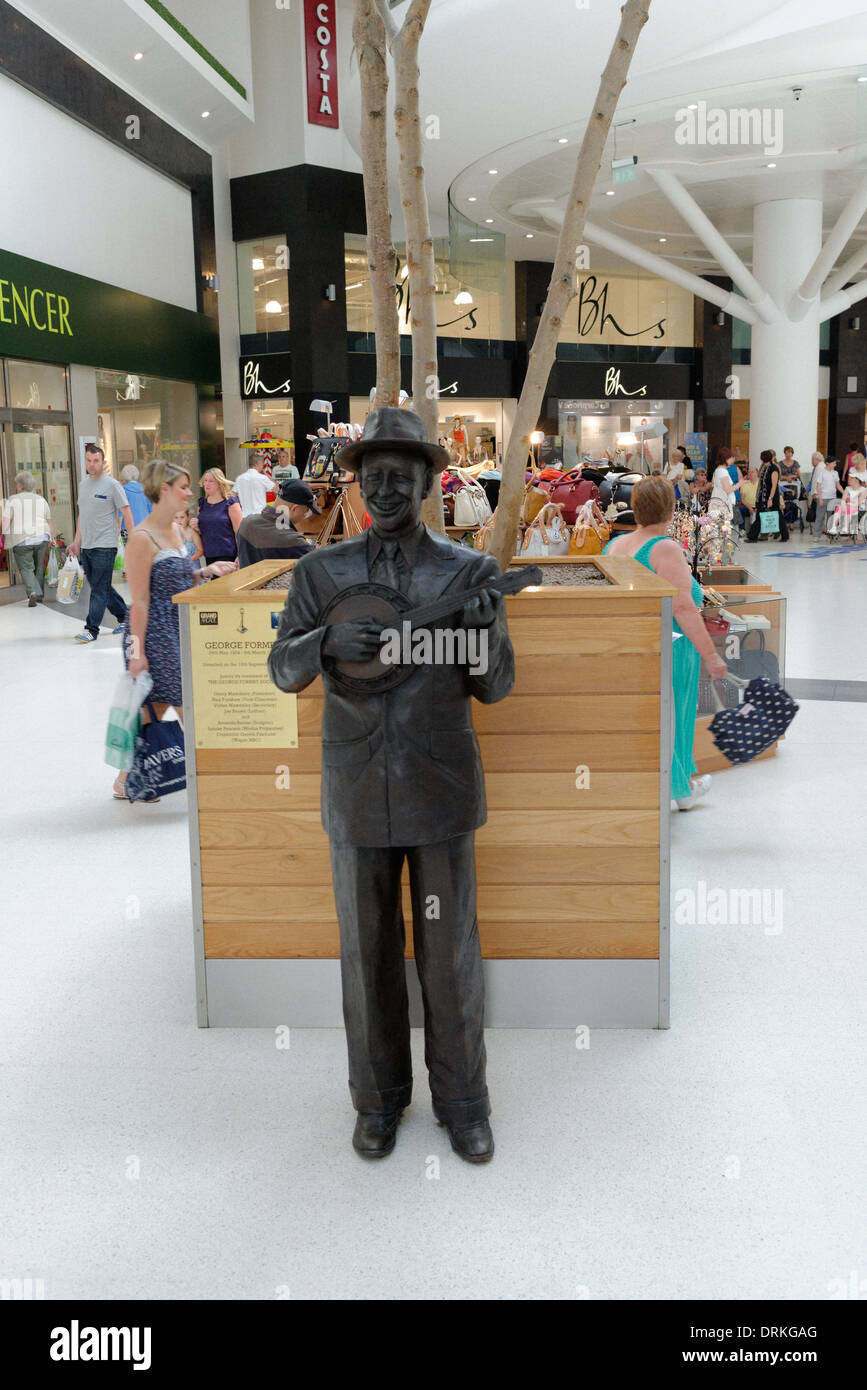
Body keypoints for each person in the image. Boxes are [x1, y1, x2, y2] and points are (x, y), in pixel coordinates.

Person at [268, 408, 515, 1164]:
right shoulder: (320, 573)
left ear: (427, 481)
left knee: (449, 957)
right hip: (354, 787)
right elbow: (282, 670)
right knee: (366, 953)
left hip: (438, 790)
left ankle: (463, 1104)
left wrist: (477, 635)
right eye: (371, 474)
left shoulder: (465, 572)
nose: (383, 488)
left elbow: (496, 685)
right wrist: (321, 642)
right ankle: (375, 1103)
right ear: (356, 479)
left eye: (399, 476)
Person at [113, 459, 236, 799]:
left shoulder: (178, 531)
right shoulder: (141, 538)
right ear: (163, 490)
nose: (189, 493)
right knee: (182, 704)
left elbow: (176, 580)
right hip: (152, 635)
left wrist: (206, 571)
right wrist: (137, 654)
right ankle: (210, 778)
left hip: (175, 629)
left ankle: (129, 778)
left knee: (155, 707)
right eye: (182, 487)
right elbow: (139, 601)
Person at [603, 476, 727, 811]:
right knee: (675, 714)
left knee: (652, 718)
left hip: (636, 644)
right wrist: (712, 656)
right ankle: (678, 788)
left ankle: (673, 786)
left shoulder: (614, 546)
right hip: (671, 646)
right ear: (671, 511)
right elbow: (684, 608)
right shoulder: (665, 549)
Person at [68, 443, 133, 642]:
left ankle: (91, 629)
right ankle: (126, 617)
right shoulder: (82, 485)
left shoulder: (112, 485)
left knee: (98, 588)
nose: (92, 464)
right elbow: (82, 516)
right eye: (89, 460)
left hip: (105, 545)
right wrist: (76, 541)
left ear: (103, 462)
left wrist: (134, 540)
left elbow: (126, 511)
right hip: (87, 545)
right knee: (101, 586)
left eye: (96, 461)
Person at [237, 479, 321, 567]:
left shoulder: (246, 523)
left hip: (246, 580)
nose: (304, 516)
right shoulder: (294, 541)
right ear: (294, 509)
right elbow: (319, 566)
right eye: (306, 511)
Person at [2, 471, 54, 606]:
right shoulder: (41, 500)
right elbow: (48, 522)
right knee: (39, 568)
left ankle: (32, 593)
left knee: (26, 568)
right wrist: (52, 538)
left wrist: (4, 536)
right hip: (42, 536)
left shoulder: (12, 500)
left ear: (19, 486)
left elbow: (6, 521)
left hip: (22, 539)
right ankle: (40, 594)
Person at [196, 469, 242, 563]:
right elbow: (202, 531)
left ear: (219, 483)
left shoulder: (231, 503)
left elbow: (239, 532)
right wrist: (196, 527)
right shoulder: (202, 504)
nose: (207, 484)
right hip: (209, 555)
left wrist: (240, 554)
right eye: (205, 480)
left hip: (228, 555)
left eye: (211, 481)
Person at [746, 449, 789, 543]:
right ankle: (753, 536)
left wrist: (770, 499)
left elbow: (774, 485)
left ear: (762, 459)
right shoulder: (764, 468)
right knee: (760, 515)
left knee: (777, 515)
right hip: (762, 497)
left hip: (771, 497)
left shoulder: (774, 469)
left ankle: (784, 535)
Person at [808, 453, 842, 538]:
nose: (835, 464)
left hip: (832, 498)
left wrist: (845, 492)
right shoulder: (822, 472)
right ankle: (816, 535)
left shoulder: (835, 473)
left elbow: (838, 485)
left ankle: (830, 534)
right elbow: (818, 486)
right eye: (834, 463)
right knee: (820, 517)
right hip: (823, 498)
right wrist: (820, 498)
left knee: (831, 517)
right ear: (828, 463)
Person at [233, 453, 272, 517]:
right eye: (262, 464)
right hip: (260, 515)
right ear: (258, 463)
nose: (263, 466)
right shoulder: (263, 478)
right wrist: (266, 474)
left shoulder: (239, 478)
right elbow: (276, 489)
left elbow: (233, 496)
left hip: (245, 516)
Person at [737, 465, 760, 530]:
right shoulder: (744, 484)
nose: (750, 473)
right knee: (739, 509)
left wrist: (757, 508)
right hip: (747, 507)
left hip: (759, 506)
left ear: (757, 473)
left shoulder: (761, 483)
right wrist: (750, 509)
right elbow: (742, 498)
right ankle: (742, 529)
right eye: (749, 472)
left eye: (752, 472)